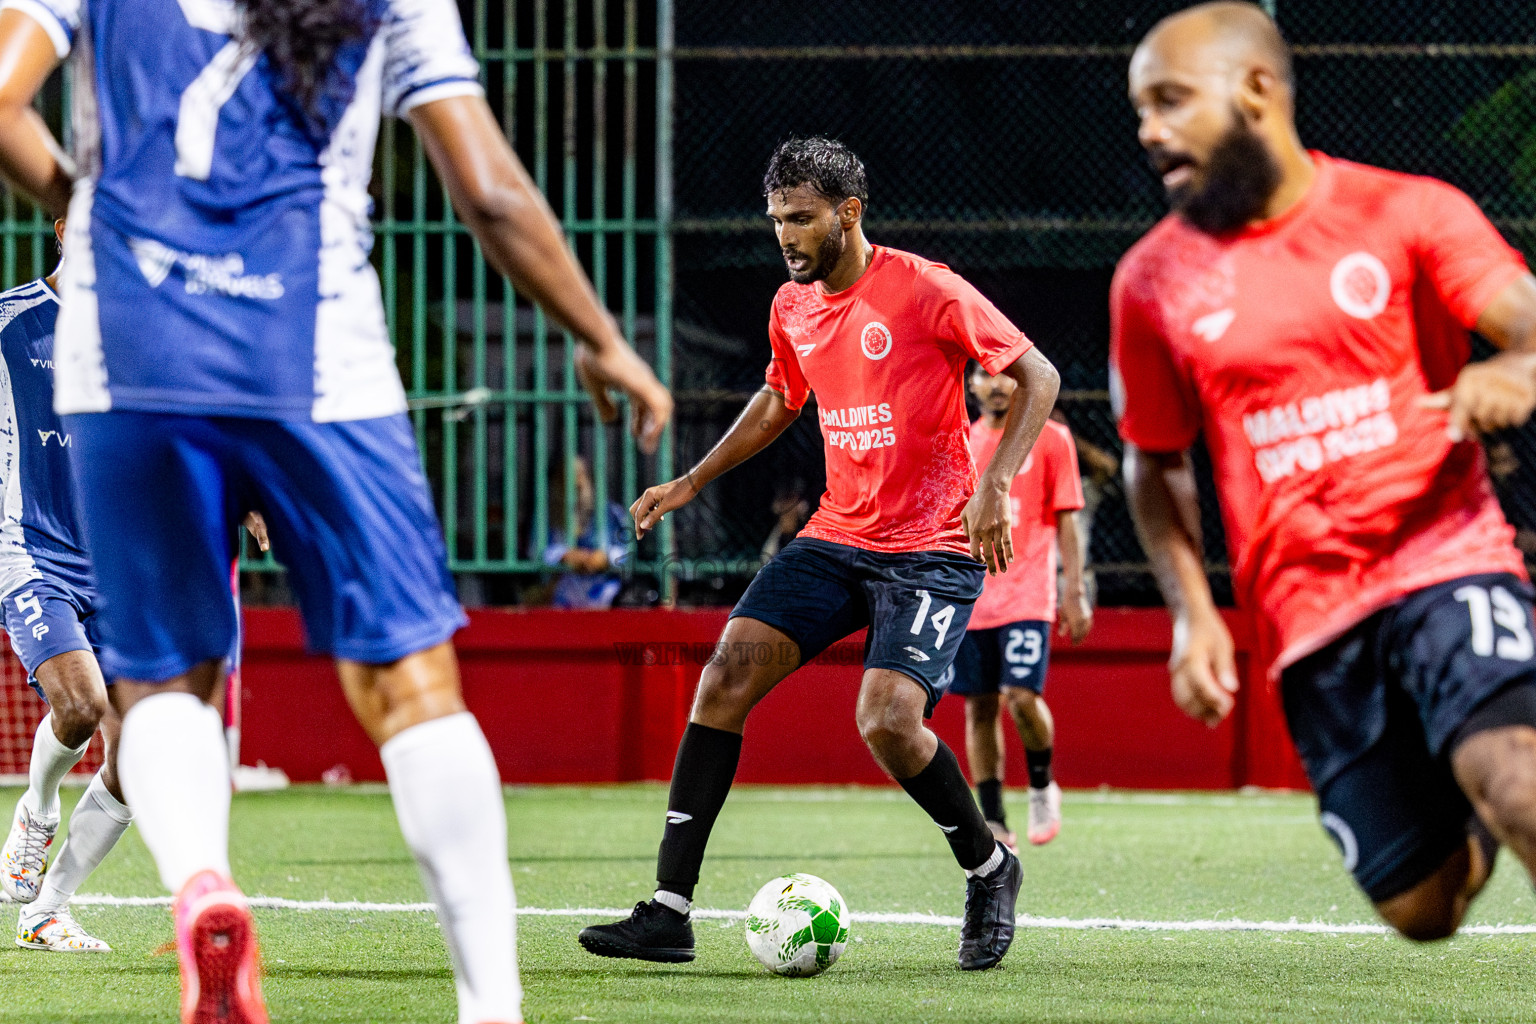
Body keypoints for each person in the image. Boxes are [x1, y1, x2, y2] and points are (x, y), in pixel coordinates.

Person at [0, 2, 671, 1022]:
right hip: (312, 353)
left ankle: (203, 888)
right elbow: (488, 191)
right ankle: (492, 1005)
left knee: (165, 681)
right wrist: (593, 329)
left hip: (127, 350)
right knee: (413, 685)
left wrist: (89, 219)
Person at [579, 137, 1060, 971]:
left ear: (849, 213)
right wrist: (692, 480)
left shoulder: (928, 289)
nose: (787, 236)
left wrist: (996, 485)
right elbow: (778, 398)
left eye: (801, 219)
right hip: (837, 538)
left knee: (885, 720)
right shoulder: (793, 306)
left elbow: (1039, 377)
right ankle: (668, 911)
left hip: (931, 548)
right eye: (775, 221)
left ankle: (990, 868)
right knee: (724, 676)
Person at [1115, 1, 1536, 942]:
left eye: (1172, 100)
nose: (1150, 128)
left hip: (1444, 560)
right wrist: (1190, 612)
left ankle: (1483, 762)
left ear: (1256, 90)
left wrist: (1510, 370)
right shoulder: (1150, 283)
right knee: (1423, 909)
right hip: (1309, 617)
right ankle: (1459, 783)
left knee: (1520, 778)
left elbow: (1528, 325)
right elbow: (1153, 463)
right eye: (1142, 108)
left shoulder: (1407, 209)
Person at [950, 370, 1092, 850]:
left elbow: (1069, 519)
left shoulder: (1052, 439)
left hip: (1029, 593)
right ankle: (992, 818)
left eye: (1005, 374)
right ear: (969, 385)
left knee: (1020, 695)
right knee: (980, 705)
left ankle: (1040, 784)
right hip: (973, 597)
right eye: (983, 374)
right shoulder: (960, 442)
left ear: (1022, 383)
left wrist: (1075, 589)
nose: (994, 383)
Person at [536, 455, 630, 610]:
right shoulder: (547, 515)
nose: (577, 483)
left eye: (581, 475)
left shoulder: (612, 513)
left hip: (606, 593)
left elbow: (627, 551)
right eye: (569, 477)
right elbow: (538, 551)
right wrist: (564, 555)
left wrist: (605, 557)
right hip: (563, 595)